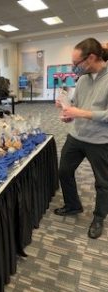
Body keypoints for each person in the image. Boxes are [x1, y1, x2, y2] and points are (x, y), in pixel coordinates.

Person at [54, 37, 108, 239]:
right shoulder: (83, 78)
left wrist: (81, 113)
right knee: (64, 171)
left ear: (91, 58)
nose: (74, 67)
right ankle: (72, 205)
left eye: (76, 63)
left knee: (103, 183)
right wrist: (67, 111)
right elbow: (76, 102)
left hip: (100, 141)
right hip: (76, 136)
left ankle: (99, 217)